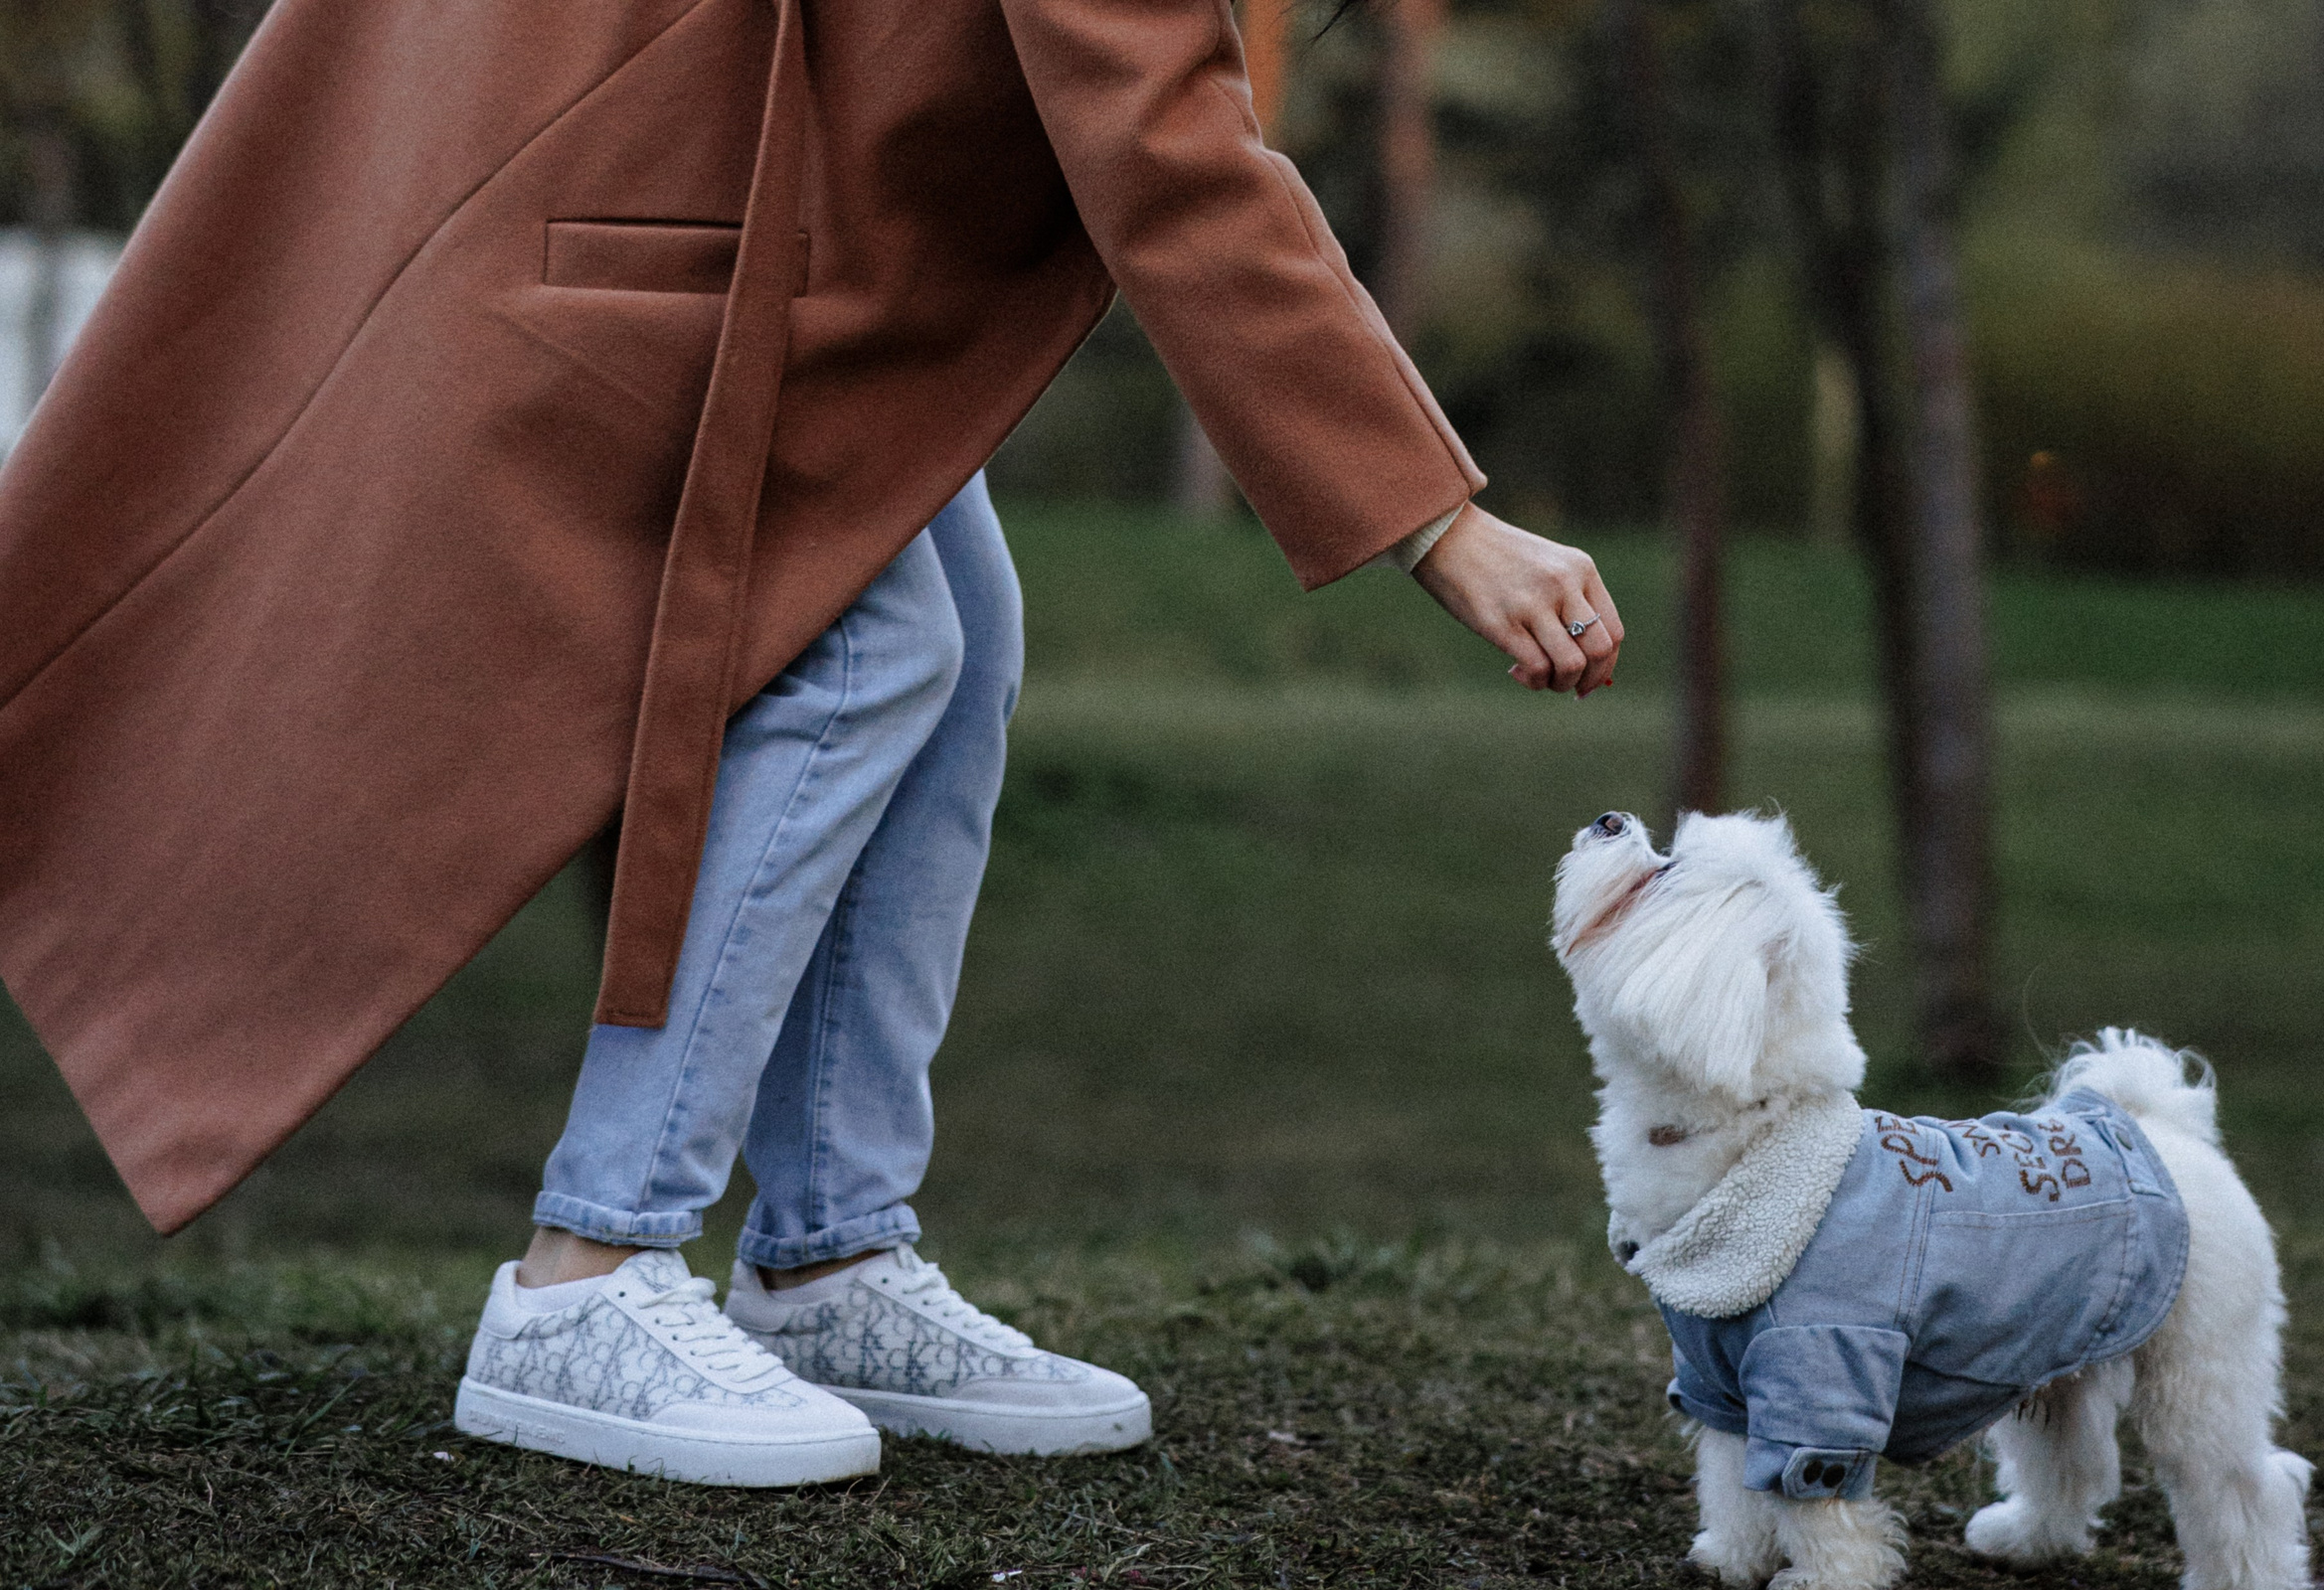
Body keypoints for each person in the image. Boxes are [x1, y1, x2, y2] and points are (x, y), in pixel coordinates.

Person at [0, 0, 1620, 1488]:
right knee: (863, 652)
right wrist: (1437, 526)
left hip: (724, 210)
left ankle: (827, 1256)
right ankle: (588, 1269)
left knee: (961, 639)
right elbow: (1165, 143)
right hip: (661, 219)